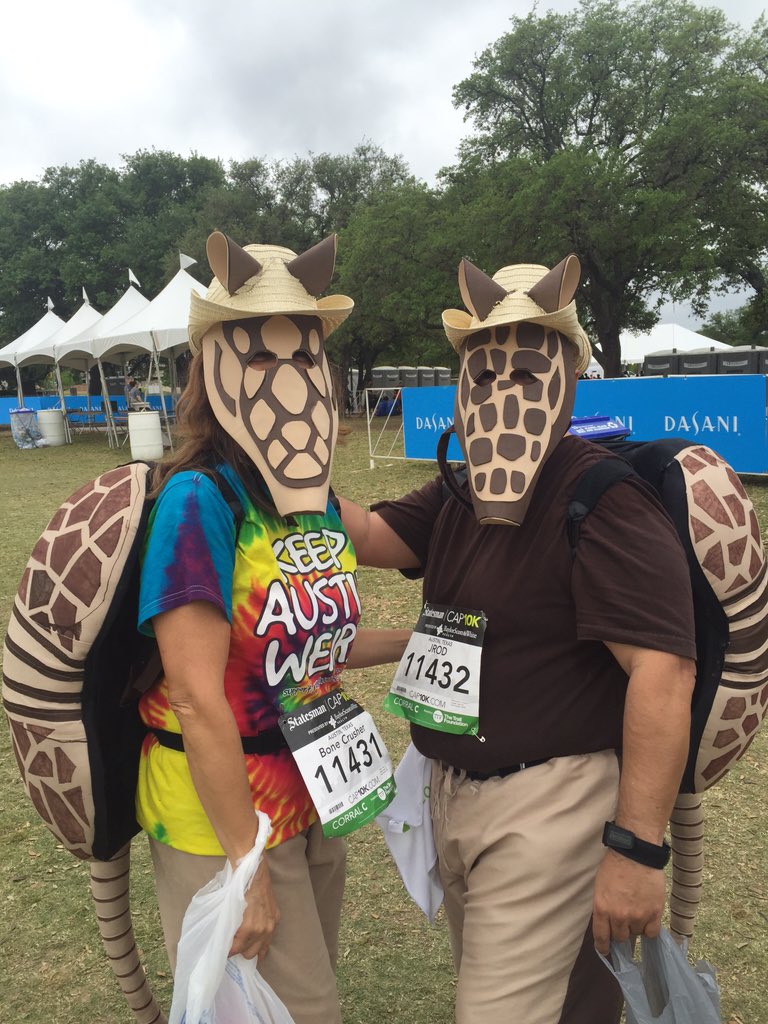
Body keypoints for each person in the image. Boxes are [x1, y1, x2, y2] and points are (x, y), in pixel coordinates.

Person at [339, 255, 696, 1024]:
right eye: (483, 371)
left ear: (566, 380)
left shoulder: (602, 498)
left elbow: (663, 672)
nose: (501, 390)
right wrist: (282, 464)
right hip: (452, 793)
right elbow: (367, 536)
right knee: (570, 1003)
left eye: (527, 372)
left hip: (550, 806)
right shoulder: (462, 489)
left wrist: (636, 852)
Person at [136, 230, 408, 1024]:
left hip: (312, 794)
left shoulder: (313, 502)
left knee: (302, 995)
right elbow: (195, 694)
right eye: (258, 356)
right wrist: (244, 865)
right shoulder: (200, 501)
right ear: (214, 368)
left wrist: (425, 640)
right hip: (222, 816)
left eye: (303, 355)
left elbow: (310, 650)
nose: (286, 377)